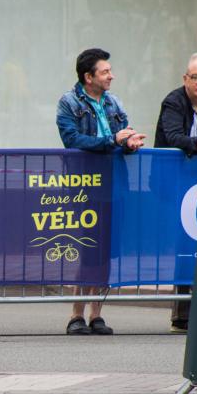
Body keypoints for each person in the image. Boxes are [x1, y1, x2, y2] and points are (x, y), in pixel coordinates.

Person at [56, 48, 146, 335]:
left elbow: (124, 134)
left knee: (106, 250)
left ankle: (96, 314)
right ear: (88, 77)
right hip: (84, 186)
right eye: (105, 72)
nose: (111, 76)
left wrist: (130, 143)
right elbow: (72, 139)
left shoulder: (114, 102)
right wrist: (112, 140)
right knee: (87, 249)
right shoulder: (68, 102)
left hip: (113, 183)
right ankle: (76, 314)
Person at [154, 52, 197, 333]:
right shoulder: (174, 101)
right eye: (195, 77)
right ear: (185, 79)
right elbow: (173, 137)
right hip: (174, 184)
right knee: (186, 247)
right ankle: (182, 315)